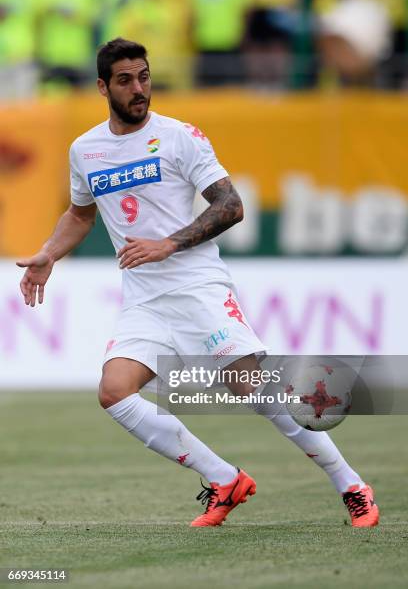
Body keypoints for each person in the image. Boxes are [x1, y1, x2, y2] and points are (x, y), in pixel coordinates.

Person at [17, 38, 379, 528]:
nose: (139, 88)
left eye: (144, 76)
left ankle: (352, 484)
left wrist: (168, 243)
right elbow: (80, 215)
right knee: (114, 391)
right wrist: (48, 254)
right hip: (144, 301)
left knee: (252, 388)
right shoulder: (86, 150)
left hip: (198, 287)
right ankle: (225, 479)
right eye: (125, 80)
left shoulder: (180, 137)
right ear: (103, 87)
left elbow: (230, 206)